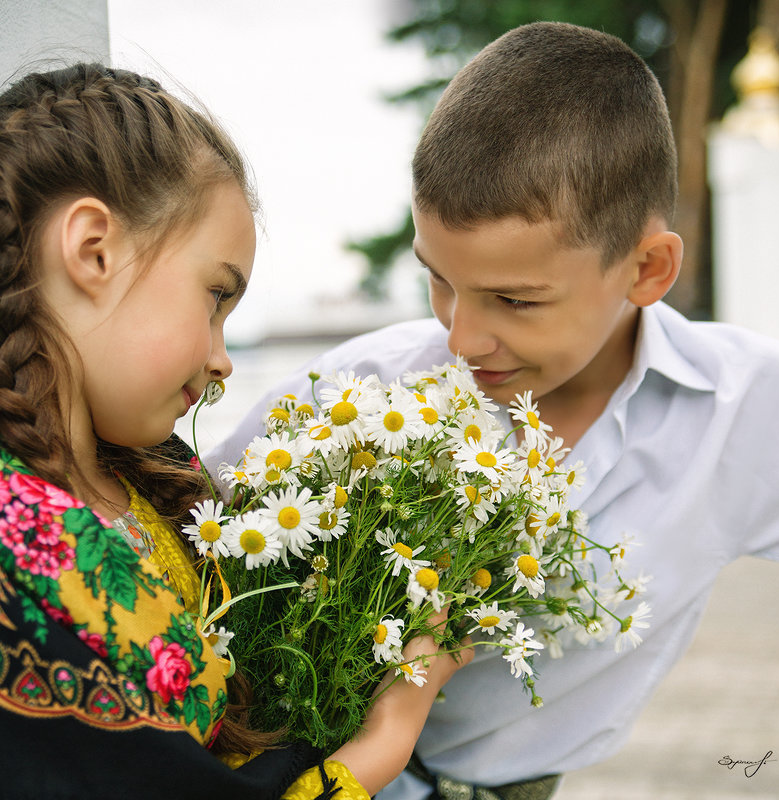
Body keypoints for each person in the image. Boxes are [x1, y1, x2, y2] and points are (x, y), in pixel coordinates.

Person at [205, 21, 779, 800]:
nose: (460, 335)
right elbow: (192, 538)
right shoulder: (363, 388)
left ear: (647, 269)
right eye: (438, 278)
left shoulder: (746, 412)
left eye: (515, 299)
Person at [0, 62, 471, 799]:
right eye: (216, 297)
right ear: (93, 248)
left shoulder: (149, 480)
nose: (222, 361)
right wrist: (383, 740)